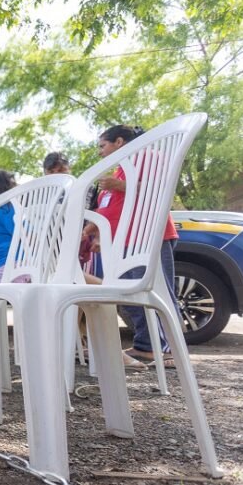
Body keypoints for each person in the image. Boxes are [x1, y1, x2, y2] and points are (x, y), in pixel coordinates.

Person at [84, 125, 179, 369]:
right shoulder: (121, 170)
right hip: (122, 243)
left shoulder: (149, 157)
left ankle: (171, 349)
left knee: (157, 293)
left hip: (147, 239)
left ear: (118, 141)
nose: (100, 152)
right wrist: (92, 232)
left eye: (102, 146)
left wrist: (120, 187)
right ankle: (147, 346)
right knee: (128, 298)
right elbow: (113, 209)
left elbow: (159, 192)